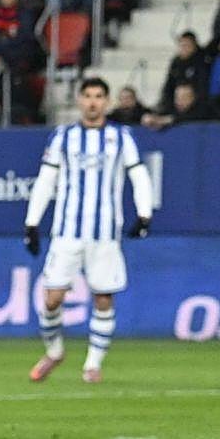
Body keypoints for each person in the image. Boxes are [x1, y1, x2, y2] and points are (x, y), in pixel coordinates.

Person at [21, 78, 155, 384]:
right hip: (67, 232)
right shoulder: (63, 137)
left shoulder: (121, 137)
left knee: (103, 299)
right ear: (80, 101)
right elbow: (46, 180)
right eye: (88, 96)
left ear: (106, 102)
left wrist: (144, 214)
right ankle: (54, 352)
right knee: (52, 298)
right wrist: (32, 223)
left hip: (105, 233)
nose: (93, 102)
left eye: (99, 96)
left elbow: (139, 176)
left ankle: (92, 365)